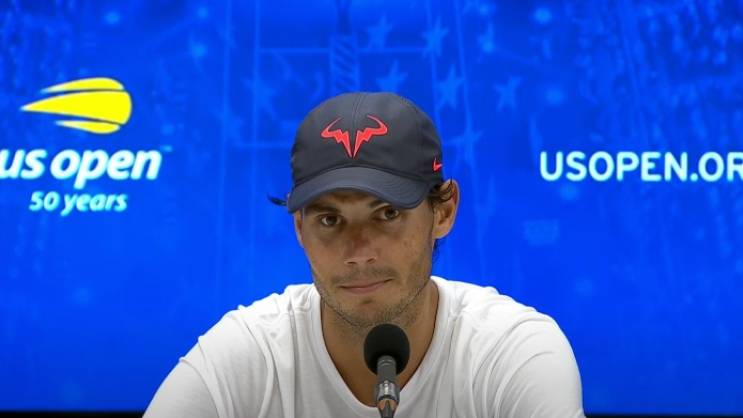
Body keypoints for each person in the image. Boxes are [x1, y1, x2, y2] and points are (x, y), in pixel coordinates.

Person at [144, 92, 585, 417]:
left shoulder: (512, 352)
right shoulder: (248, 353)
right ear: (299, 229)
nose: (358, 252)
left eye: (387, 213)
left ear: (444, 211)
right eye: (330, 219)